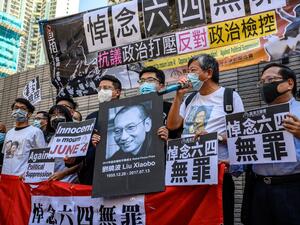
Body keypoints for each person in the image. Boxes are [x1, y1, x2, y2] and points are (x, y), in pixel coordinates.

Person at [166, 54, 244, 225]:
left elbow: (240, 134)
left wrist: (214, 137)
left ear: (209, 73)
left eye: (192, 71)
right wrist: (178, 97)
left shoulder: (229, 96)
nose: (188, 76)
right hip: (188, 174)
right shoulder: (190, 98)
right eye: (187, 72)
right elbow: (172, 126)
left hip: (217, 175)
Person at [248, 63, 300, 225]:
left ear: (289, 83)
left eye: (270, 80)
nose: (265, 85)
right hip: (259, 187)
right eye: (262, 82)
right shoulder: (254, 118)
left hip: (293, 187)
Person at [79, 75, 122, 184]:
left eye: (106, 88)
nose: (102, 91)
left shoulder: (129, 112)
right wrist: (93, 145)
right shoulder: (91, 117)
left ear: (117, 92)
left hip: (121, 171)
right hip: (94, 175)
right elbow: (83, 151)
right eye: (100, 89)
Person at [1, 98, 46, 176]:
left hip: (22, 179)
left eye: (23, 108)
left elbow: (42, 157)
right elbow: (5, 156)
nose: (18, 110)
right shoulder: (9, 133)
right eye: (16, 108)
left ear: (29, 114)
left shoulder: (35, 132)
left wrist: (30, 175)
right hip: (6, 177)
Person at [138, 66, 179, 139]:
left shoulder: (172, 108)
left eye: (150, 80)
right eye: (142, 81)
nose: (145, 84)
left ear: (161, 86)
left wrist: (168, 139)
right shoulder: (132, 109)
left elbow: (180, 138)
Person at [48, 104, 79, 183]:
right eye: (53, 115)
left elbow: (81, 163)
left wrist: (64, 173)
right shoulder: (52, 137)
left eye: (60, 114)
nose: (56, 117)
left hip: (71, 182)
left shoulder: (76, 135)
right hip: (54, 182)